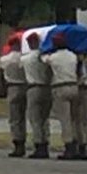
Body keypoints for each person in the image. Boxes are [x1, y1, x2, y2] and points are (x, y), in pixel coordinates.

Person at [43, 31, 82, 160]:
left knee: (65, 119)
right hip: (74, 86)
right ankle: (78, 143)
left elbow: (43, 59)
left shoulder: (53, 57)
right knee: (74, 118)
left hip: (60, 86)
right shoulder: (73, 56)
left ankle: (69, 146)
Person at [22, 31, 53, 159]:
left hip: (33, 87)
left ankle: (38, 144)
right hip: (47, 88)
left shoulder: (25, 58)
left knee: (35, 118)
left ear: (29, 43)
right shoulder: (46, 58)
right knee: (45, 118)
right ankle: (46, 142)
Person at [0, 33, 27, 158]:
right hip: (25, 86)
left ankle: (17, 142)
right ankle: (25, 140)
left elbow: (0, 75)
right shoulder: (25, 59)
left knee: (14, 117)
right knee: (24, 116)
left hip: (12, 86)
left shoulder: (5, 59)